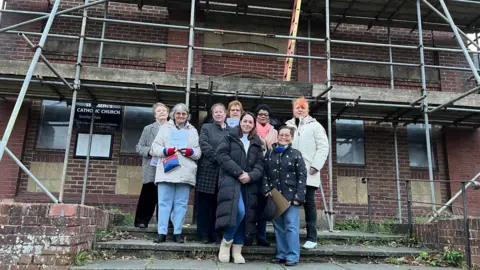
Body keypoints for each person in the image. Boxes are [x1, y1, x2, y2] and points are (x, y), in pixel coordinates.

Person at [216, 112, 265, 264]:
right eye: (245, 121)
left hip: (249, 183)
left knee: (246, 217)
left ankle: (237, 250)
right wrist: (239, 172)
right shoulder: (229, 136)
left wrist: (250, 176)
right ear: (240, 122)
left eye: (251, 122)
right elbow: (222, 155)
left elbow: (260, 164)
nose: (247, 124)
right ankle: (226, 242)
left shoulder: (257, 141)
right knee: (239, 211)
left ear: (253, 125)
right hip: (231, 180)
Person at [151, 103, 202, 243]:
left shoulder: (192, 131)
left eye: (183, 114)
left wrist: (191, 152)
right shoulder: (164, 128)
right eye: (178, 113)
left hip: (185, 173)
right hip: (167, 170)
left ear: (187, 116)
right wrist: (165, 151)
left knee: (181, 203)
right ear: (173, 115)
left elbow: (198, 152)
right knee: (163, 203)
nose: (180, 116)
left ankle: (177, 233)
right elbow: (154, 148)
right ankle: (161, 232)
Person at [286, 97, 329, 250]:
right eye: (297, 107)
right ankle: (291, 236)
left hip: (309, 171)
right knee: (290, 203)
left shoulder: (315, 126)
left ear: (307, 110)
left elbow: (323, 147)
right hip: (290, 173)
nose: (300, 109)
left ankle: (311, 237)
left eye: (303, 107)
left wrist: (316, 166)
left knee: (309, 203)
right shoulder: (288, 125)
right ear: (293, 109)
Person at [263, 126, 307, 266]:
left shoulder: (296, 154)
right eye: (281, 134)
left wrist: (299, 197)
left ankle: (293, 256)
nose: (283, 137)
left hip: (291, 197)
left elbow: (302, 176)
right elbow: (264, 174)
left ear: (292, 138)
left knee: (291, 227)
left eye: (286, 135)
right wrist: (266, 189)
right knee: (279, 227)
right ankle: (281, 254)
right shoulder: (270, 154)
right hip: (275, 196)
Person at [243, 104, 278, 247]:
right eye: (260, 114)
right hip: (252, 169)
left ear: (269, 117)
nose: (263, 116)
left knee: (263, 205)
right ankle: (248, 235)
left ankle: (262, 236)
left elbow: (275, 148)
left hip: (267, 170)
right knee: (250, 205)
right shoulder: (251, 128)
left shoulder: (274, 132)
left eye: (265, 114)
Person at [196, 103, 230, 244]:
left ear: (225, 113)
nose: (218, 114)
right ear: (212, 114)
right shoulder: (206, 127)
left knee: (218, 206)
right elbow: (203, 144)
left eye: (220, 111)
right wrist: (217, 158)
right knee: (204, 205)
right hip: (207, 170)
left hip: (223, 172)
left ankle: (215, 233)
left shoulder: (231, 130)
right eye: (215, 112)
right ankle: (203, 234)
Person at [134, 102, 169, 229]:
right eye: (159, 110)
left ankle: (165, 221)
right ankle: (142, 220)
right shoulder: (148, 129)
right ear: (155, 115)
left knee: (166, 195)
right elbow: (139, 147)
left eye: (164, 110)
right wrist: (149, 152)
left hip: (168, 166)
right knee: (148, 194)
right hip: (152, 165)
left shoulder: (174, 128)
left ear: (168, 113)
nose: (162, 112)